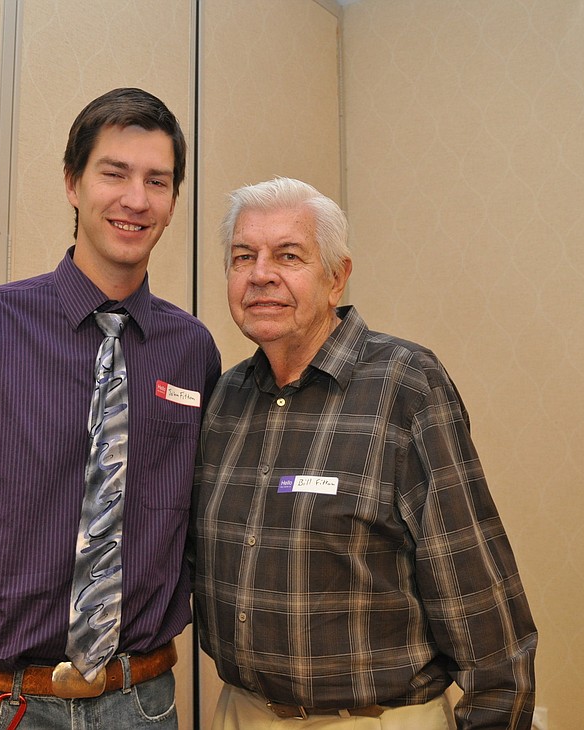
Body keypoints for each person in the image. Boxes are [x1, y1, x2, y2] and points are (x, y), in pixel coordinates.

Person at [0, 87, 221, 730]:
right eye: (114, 173)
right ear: (72, 182)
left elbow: (201, 521)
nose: (136, 199)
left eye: (158, 180)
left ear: (174, 200)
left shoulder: (192, 350)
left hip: (142, 703)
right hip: (0, 704)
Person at [191, 177, 537, 729]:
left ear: (336, 278)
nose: (260, 274)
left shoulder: (405, 385)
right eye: (243, 256)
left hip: (374, 719)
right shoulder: (225, 400)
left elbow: (477, 594)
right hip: (243, 714)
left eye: (288, 255)